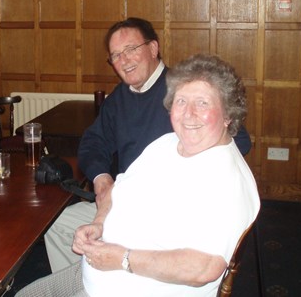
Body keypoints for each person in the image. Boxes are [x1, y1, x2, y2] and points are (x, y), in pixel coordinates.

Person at [17, 54, 260, 297]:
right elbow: (118, 189)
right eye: (181, 101)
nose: (188, 113)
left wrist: (123, 259)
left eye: (203, 103)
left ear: (228, 115)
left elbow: (203, 268)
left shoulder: (226, 179)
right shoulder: (168, 142)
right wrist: (99, 223)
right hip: (95, 273)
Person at [45, 17, 252, 272]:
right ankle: (87, 273)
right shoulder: (119, 98)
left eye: (131, 49)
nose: (125, 60)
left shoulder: (184, 89)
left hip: (165, 211)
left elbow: (238, 139)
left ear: (153, 48)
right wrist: (101, 179)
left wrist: (183, 178)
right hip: (126, 199)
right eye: (116, 55)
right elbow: (93, 141)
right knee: (57, 223)